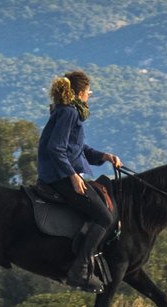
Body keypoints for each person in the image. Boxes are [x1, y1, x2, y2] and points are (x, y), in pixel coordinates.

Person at [36, 69, 122, 289]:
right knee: (104, 218)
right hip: (59, 176)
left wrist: (104, 156)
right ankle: (80, 270)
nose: (89, 96)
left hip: (60, 173)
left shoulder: (67, 111)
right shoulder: (69, 113)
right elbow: (56, 148)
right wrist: (72, 175)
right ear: (80, 92)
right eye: (88, 92)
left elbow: (77, 148)